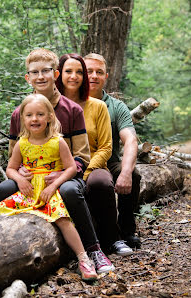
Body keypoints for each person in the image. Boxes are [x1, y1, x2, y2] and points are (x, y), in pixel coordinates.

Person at [0, 48, 115, 273]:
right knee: (3, 188)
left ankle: (93, 250)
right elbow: (14, 156)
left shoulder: (71, 109)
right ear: (28, 78)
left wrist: (59, 176)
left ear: (55, 74)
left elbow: (82, 156)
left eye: (46, 71)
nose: (41, 76)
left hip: (66, 175)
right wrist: (21, 173)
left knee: (70, 192)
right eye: (35, 73)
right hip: (31, 176)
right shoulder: (20, 113)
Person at [0, 94, 98, 281]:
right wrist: (20, 180)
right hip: (29, 191)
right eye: (29, 115)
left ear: (50, 116)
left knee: (62, 220)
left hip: (49, 190)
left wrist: (55, 185)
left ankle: (84, 258)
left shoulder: (57, 142)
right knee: (2, 210)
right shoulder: (21, 144)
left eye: (40, 114)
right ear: (22, 119)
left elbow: (71, 168)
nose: (35, 119)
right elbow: (10, 168)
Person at [56, 53, 133, 256]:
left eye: (79, 72)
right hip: (58, 168)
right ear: (59, 74)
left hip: (93, 165)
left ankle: (113, 239)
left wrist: (85, 171)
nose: (75, 76)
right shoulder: (49, 106)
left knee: (100, 182)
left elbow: (106, 148)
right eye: (69, 72)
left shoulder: (98, 106)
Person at [84, 53, 141, 248]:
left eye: (99, 72)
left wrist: (125, 172)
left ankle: (126, 230)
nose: (93, 76)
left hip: (108, 162)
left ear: (106, 76)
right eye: (89, 71)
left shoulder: (116, 107)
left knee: (133, 174)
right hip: (78, 162)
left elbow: (130, 139)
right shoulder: (71, 102)